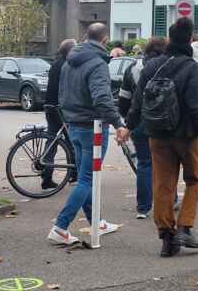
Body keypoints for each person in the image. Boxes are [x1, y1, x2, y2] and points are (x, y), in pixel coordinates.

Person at [128, 17, 198, 257]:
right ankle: (185, 227)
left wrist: (129, 125)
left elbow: (138, 100)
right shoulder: (193, 69)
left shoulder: (152, 66)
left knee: (163, 184)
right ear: (190, 39)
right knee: (196, 179)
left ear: (169, 39)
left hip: (157, 134)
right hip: (187, 135)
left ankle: (167, 238)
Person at [47, 23, 127, 246]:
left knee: (86, 176)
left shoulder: (69, 61)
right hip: (93, 128)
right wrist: (118, 123)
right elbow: (102, 98)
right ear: (104, 40)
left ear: (86, 36)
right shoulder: (98, 63)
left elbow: (62, 94)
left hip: (74, 124)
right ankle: (60, 226)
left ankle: (97, 222)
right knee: (87, 179)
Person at [119, 37, 167, 219]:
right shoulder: (167, 66)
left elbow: (124, 98)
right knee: (165, 163)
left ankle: (143, 207)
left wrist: (127, 120)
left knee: (144, 163)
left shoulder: (133, 68)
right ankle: (169, 200)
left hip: (138, 121)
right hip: (163, 122)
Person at [41, 38, 76, 190]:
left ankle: (46, 177)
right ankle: (75, 173)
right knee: (73, 140)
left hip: (50, 106)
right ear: (70, 51)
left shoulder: (56, 64)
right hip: (61, 108)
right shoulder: (68, 65)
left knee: (52, 139)